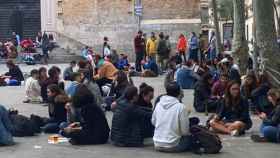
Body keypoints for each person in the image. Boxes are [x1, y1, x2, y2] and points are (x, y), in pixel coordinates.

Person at [152, 82, 192, 152]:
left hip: (157, 143)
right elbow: (185, 132)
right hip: (172, 145)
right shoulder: (181, 107)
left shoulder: (159, 104)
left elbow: (153, 122)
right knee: (192, 136)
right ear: (179, 92)